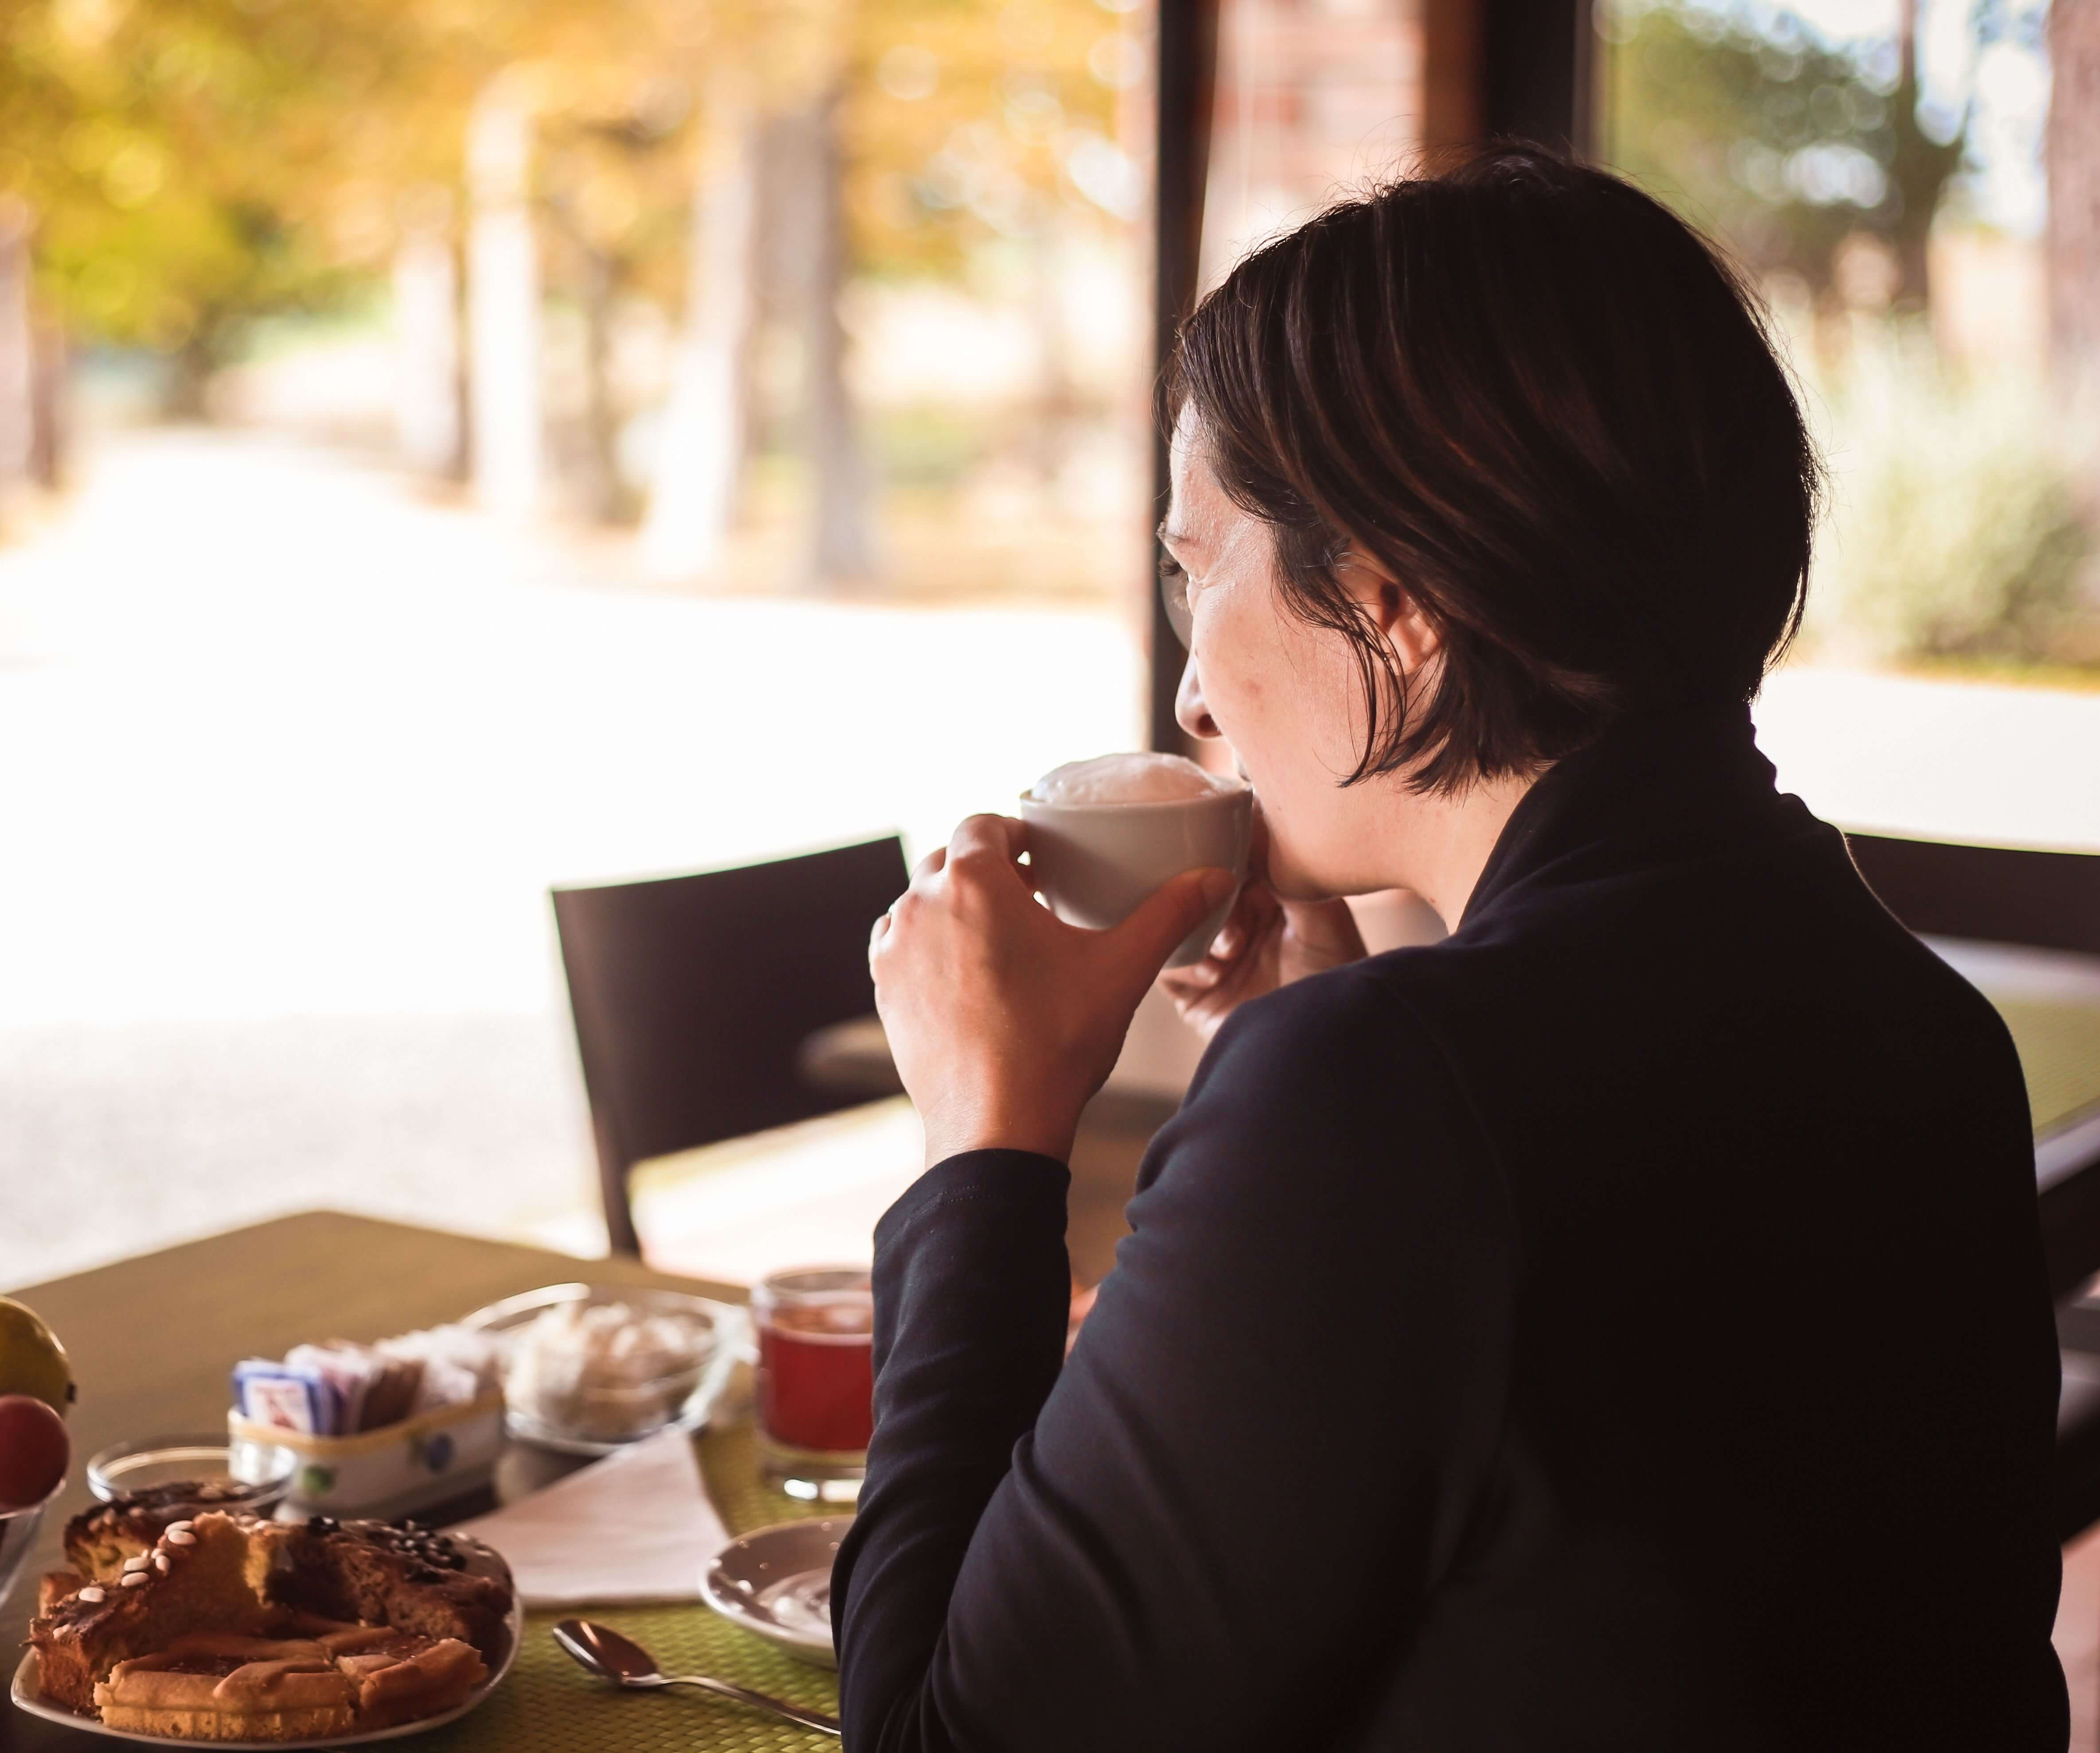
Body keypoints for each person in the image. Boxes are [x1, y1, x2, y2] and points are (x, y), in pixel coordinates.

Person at [831, 147, 2064, 1750]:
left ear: (1392, 602)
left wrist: (982, 1146)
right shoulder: (1913, 1013)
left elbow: (948, 1737)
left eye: (1198, 571)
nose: (1193, 694)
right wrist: (1326, 1050)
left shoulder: (1387, 1091)